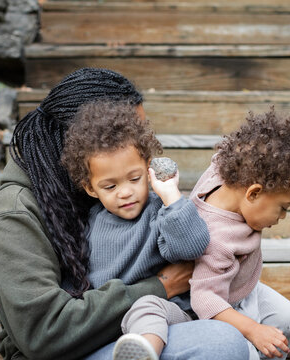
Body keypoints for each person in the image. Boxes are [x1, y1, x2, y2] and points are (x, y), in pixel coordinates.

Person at [0, 68, 249, 360]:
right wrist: (162, 286)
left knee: (267, 318)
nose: (137, 143)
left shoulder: (104, 194)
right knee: (221, 343)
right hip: (66, 350)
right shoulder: (15, 214)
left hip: (125, 327)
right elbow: (44, 332)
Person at [118, 108, 290, 360]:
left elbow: (232, 154)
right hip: (208, 306)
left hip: (238, 287)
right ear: (253, 193)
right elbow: (205, 300)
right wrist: (252, 330)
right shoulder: (218, 240)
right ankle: (148, 351)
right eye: (283, 207)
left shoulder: (223, 172)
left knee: (287, 318)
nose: (282, 217)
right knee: (149, 309)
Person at [60, 100, 210, 359]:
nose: (126, 192)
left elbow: (193, 246)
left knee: (146, 306)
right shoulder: (91, 222)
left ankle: (144, 353)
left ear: (147, 169)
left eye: (134, 178)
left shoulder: (160, 213)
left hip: (165, 314)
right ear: (90, 188)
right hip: (111, 323)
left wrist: (171, 196)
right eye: (110, 187)